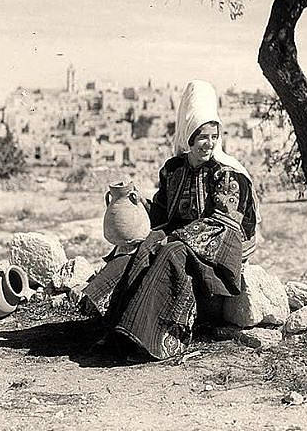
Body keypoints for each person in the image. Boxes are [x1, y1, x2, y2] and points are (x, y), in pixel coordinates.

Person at [83, 80, 258, 360]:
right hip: (180, 239)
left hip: (215, 257)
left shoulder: (227, 174)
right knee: (144, 246)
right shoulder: (173, 169)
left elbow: (225, 228)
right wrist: (141, 205)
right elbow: (163, 215)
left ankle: (148, 338)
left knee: (169, 251)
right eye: (202, 136)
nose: (209, 144)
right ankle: (113, 328)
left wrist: (176, 237)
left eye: (214, 136)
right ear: (188, 135)